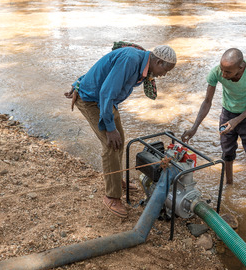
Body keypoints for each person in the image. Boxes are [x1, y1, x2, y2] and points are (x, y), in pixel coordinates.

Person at [65, 43, 177, 218]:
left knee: (120, 140)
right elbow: (105, 92)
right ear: (159, 62)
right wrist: (109, 129)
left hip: (107, 102)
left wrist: (78, 81)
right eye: (166, 70)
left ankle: (116, 181)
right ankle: (111, 196)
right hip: (92, 100)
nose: (164, 75)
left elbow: (104, 67)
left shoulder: (142, 60)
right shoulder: (131, 60)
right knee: (110, 144)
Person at [181, 48, 246, 197]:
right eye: (222, 70)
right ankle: (229, 186)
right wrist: (194, 127)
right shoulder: (217, 72)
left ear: (240, 68)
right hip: (227, 112)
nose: (223, 75)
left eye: (227, 72)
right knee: (227, 151)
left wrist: (237, 120)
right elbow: (207, 101)